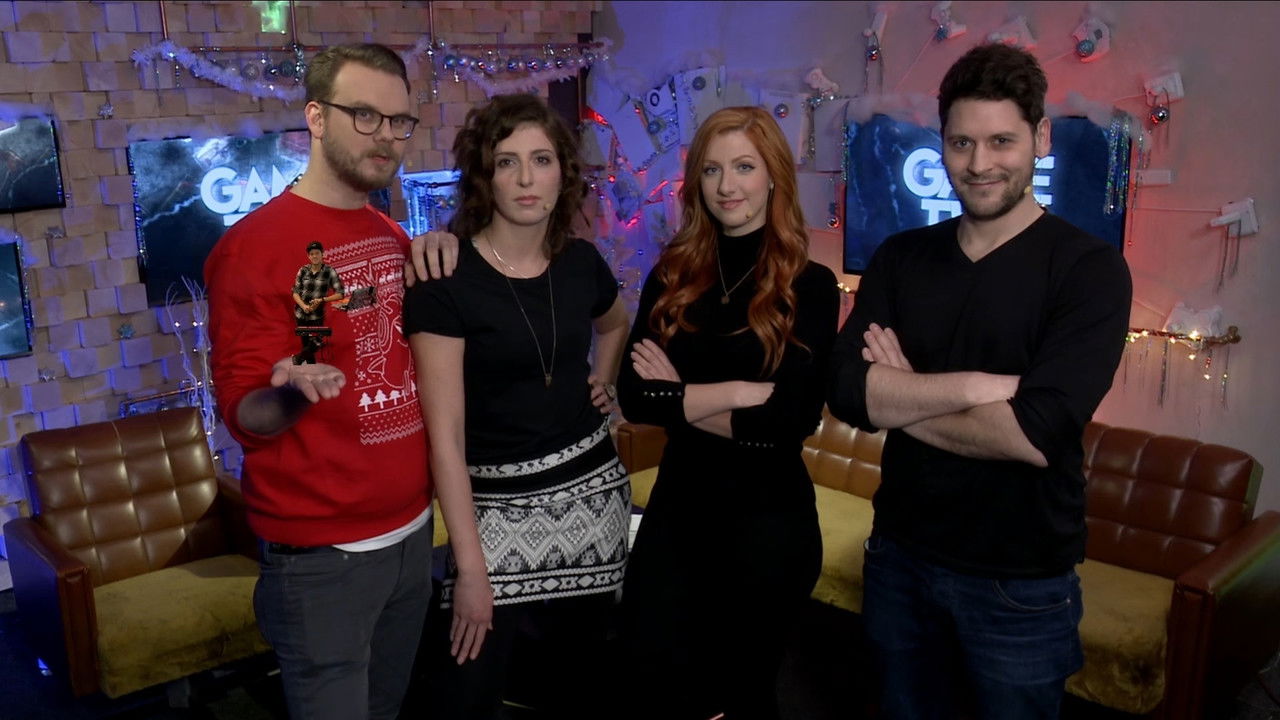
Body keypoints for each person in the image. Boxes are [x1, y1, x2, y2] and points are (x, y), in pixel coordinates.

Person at [826, 43, 1133, 719]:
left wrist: (901, 394)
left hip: (1019, 584)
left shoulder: (1089, 271)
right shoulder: (901, 258)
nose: (978, 163)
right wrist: (974, 389)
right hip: (900, 557)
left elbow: (1034, 434)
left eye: (1001, 141)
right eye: (961, 142)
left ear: (1040, 138)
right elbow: (846, 390)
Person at [205, 43, 457, 720]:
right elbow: (245, 415)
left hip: (412, 536)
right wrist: (291, 390)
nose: (386, 136)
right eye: (364, 116)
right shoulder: (252, 248)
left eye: (399, 121)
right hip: (324, 560)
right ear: (316, 118)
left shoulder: (390, 233)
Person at [402, 92, 631, 719]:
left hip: (594, 502)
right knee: (466, 695)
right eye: (508, 162)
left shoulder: (582, 262)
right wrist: (471, 569)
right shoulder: (445, 279)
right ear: (486, 176)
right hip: (495, 517)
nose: (527, 179)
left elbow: (615, 323)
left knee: (578, 691)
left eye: (542, 160)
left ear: (563, 173)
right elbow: (445, 438)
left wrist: (605, 380)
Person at [616, 106, 840, 720]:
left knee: (742, 697)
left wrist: (680, 394)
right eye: (712, 170)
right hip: (678, 516)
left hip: (767, 527)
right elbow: (634, 396)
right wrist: (739, 392)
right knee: (653, 685)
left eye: (744, 167)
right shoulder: (672, 275)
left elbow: (790, 420)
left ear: (773, 177)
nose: (726, 185)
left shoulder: (811, 286)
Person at [291, 240, 347, 364]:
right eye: (312, 254)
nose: (314, 256)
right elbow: (295, 292)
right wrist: (304, 306)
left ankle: (297, 359)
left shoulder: (329, 271)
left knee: (316, 342)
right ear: (308, 256)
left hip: (317, 316)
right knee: (306, 345)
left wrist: (322, 300)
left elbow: (340, 293)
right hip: (301, 314)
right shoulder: (303, 270)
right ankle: (310, 369)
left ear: (322, 254)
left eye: (317, 253)